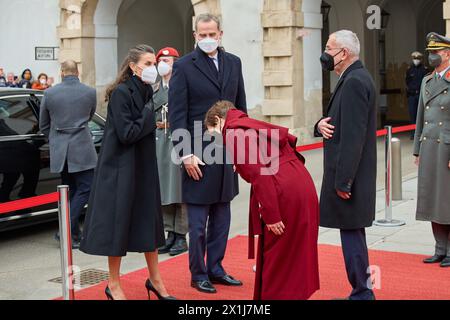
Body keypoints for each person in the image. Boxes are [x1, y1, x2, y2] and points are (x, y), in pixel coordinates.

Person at [80, 45, 176, 301]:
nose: (152, 68)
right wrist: (149, 115)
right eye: (147, 63)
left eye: (153, 63)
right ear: (134, 67)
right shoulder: (123, 92)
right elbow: (127, 133)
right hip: (121, 168)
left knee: (150, 225)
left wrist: (149, 112)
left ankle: (156, 280)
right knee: (118, 226)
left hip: (143, 167)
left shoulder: (147, 89)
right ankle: (113, 284)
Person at [205, 101, 320, 300]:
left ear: (218, 120)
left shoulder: (233, 131)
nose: (218, 141)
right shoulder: (247, 124)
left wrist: (272, 215)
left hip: (283, 191)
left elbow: (260, 174)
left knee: (279, 257)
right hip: (300, 182)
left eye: (213, 133)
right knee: (296, 252)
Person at [169, 13, 247, 294]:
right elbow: (177, 115)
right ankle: (198, 273)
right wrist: (186, 154)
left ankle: (216, 267)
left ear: (220, 33)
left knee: (222, 218)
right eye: (201, 35)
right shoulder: (183, 66)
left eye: (211, 33)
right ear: (195, 36)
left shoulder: (234, 63)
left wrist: (241, 150)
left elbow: (240, 111)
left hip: (226, 152)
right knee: (199, 223)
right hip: (197, 154)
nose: (206, 39)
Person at [314, 30, 377, 300]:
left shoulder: (353, 81)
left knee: (351, 234)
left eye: (330, 48)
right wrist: (318, 126)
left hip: (350, 177)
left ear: (344, 53)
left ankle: (362, 292)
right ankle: (362, 289)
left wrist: (344, 181)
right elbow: (338, 123)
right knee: (353, 233)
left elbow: (353, 137)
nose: (326, 53)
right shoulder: (353, 77)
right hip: (351, 175)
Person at [39, 60, 97, 249]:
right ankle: (66, 230)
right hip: (82, 146)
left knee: (69, 191)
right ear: (77, 72)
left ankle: (71, 233)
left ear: (62, 72)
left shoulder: (49, 93)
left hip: (60, 149)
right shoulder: (90, 92)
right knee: (86, 189)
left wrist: (56, 140)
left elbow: (43, 125)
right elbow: (90, 116)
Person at [413, 32, 450, 268]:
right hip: (429, 146)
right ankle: (439, 249)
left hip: (446, 148)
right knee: (431, 198)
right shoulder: (427, 80)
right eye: (430, 53)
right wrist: (416, 148)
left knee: (446, 199)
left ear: (447, 53)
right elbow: (421, 117)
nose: (432, 56)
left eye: (436, 52)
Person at [153, 47, 189, 257]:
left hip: (178, 139)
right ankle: (170, 233)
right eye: (161, 60)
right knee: (164, 190)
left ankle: (181, 234)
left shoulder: (183, 84)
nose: (163, 63)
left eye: (167, 60)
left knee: (179, 189)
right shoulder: (155, 87)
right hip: (160, 142)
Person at [406, 51, 429, 139]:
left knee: (421, 115)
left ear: (421, 59)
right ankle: (413, 134)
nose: (416, 60)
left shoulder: (425, 69)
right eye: (415, 59)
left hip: (421, 95)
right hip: (412, 95)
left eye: (418, 59)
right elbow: (407, 82)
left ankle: (421, 133)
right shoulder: (409, 69)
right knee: (412, 115)